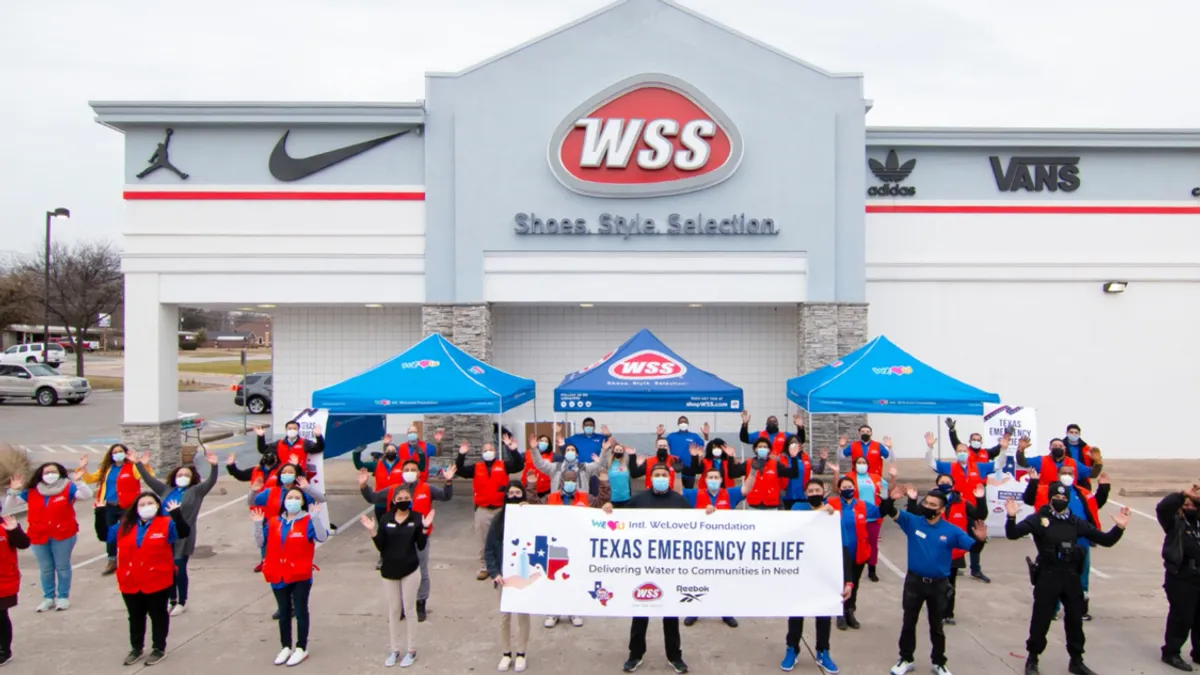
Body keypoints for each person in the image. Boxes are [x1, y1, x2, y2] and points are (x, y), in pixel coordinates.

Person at [1004, 488, 1129, 675]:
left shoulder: (1074, 521)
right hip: (1048, 575)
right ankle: (1033, 659)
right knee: (1041, 618)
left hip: (1071, 576)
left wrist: (1119, 528)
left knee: (1075, 620)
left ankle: (1076, 660)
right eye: (1056, 497)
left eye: (1064, 497)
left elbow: (1106, 540)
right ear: (1050, 499)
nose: (1060, 500)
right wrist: (1011, 517)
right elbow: (1013, 534)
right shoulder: (1039, 519)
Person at [885, 483, 987, 675]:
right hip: (914, 583)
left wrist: (980, 540)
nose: (928, 506)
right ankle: (906, 658)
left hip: (939, 585)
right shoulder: (912, 522)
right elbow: (889, 511)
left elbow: (972, 548)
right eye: (926, 502)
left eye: (933, 505)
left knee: (937, 626)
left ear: (941, 509)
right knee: (909, 622)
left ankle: (939, 661)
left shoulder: (952, 531)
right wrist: (891, 499)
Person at [359, 459, 455, 621]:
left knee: (422, 571)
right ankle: (402, 606)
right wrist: (363, 486)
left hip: (420, 537)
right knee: (400, 572)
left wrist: (448, 481)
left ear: (418, 473)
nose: (410, 472)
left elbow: (445, 496)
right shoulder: (393, 490)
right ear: (402, 473)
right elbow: (373, 497)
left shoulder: (427, 488)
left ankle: (420, 603)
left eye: (413, 469)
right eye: (407, 469)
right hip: (398, 539)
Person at [108, 491, 191, 666]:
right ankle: (136, 648)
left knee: (158, 614)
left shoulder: (166, 524)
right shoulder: (125, 526)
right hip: (130, 579)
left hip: (157, 578)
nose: (146, 507)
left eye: (150, 503)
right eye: (142, 504)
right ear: (135, 508)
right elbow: (104, 536)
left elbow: (184, 532)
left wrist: (176, 514)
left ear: (157, 506)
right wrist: (100, 513)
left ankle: (158, 648)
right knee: (135, 616)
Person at [133, 449, 219, 616]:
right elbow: (149, 480)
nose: (183, 477)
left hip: (183, 535)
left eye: (186, 474)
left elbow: (211, 481)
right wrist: (138, 464)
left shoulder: (196, 491)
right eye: (180, 474)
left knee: (178, 568)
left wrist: (214, 466)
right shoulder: (166, 490)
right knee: (166, 569)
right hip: (165, 534)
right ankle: (171, 599)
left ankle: (182, 601)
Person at [1021, 464, 1111, 621]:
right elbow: (1029, 499)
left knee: (1082, 575)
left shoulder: (1082, 492)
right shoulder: (1046, 490)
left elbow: (1095, 506)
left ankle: (1080, 609)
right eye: (1064, 473)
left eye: (1070, 473)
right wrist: (1033, 482)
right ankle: (1053, 609)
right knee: (1054, 575)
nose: (1067, 476)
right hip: (1054, 541)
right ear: (1057, 475)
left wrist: (1103, 489)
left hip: (1081, 540)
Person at [782, 478, 854, 674]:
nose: (814, 493)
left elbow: (844, 549)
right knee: (796, 612)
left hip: (824, 572)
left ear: (825, 492)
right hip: (801, 572)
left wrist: (848, 581)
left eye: (817, 490)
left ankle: (823, 651)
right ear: (806, 494)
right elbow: (795, 528)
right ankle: (792, 648)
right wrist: (819, 513)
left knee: (823, 614)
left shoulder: (833, 515)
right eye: (810, 490)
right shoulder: (798, 508)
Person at [624, 464, 690, 674]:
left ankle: (674, 656)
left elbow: (694, 528)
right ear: (650, 478)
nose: (660, 477)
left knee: (670, 614)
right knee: (640, 611)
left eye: (664, 475)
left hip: (670, 567)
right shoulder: (638, 500)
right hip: (643, 565)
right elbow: (618, 521)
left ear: (669, 478)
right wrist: (608, 510)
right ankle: (635, 654)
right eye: (657, 475)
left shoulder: (680, 502)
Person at [253, 490, 329, 667]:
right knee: (284, 611)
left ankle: (301, 647)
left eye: (297, 498)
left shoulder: (308, 521)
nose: (292, 500)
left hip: (300, 574)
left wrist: (316, 518)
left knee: (301, 610)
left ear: (302, 502)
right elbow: (260, 542)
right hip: (277, 573)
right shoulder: (274, 522)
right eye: (290, 497)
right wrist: (257, 525)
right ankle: (285, 646)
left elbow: (322, 536)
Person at [529, 468, 612, 628]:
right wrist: (532, 486)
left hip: (578, 544)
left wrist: (604, 482)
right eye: (567, 480)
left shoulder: (585, 497)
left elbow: (602, 502)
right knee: (554, 578)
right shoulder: (551, 498)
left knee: (576, 577)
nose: (570, 483)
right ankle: (553, 611)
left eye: (573, 480)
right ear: (561, 482)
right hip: (556, 545)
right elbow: (535, 506)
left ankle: (575, 610)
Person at [4, 461, 92, 612]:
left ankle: (63, 597)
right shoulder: (32, 490)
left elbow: (87, 495)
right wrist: (12, 492)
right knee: (46, 568)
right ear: (40, 475)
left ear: (60, 473)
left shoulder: (68, 487)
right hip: (38, 535)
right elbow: (9, 508)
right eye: (46, 472)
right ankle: (48, 598)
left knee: (62, 567)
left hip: (63, 534)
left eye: (53, 471)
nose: (50, 475)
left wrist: (79, 482)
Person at [361, 483, 433, 667]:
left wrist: (424, 529)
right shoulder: (386, 519)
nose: (403, 501)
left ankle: (411, 649)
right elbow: (381, 547)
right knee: (394, 610)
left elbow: (421, 545)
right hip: (389, 571)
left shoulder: (417, 518)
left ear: (411, 500)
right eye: (399, 499)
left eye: (406, 499)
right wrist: (372, 531)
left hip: (410, 570)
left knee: (409, 610)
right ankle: (395, 649)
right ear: (393, 501)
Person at [680, 459, 756, 629]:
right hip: (700, 547)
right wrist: (676, 473)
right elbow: (678, 491)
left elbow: (747, 488)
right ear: (705, 480)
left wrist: (753, 472)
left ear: (721, 480)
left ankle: (726, 612)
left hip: (723, 546)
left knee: (723, 579)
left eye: (716, 477)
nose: (713, 480)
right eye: (710, 477)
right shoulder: (695, 494)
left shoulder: (729, 494)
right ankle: (694, 610)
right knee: (698, 579)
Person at [924, 431, 997, 584]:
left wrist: (1003, 449)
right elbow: (931, 463)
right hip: (955, 509)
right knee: (949, 537)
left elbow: (999, 464)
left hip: (973, 509)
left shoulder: (979, 467)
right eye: (959, 451)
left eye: (964, 451)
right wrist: (930, 448)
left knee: (975, 537)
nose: (962, 453)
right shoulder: (949, 467)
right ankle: (951, 565)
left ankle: (975, 569)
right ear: (956, 453)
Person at [919, 476, 987, 625]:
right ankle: (935, 610)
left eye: (948, 482)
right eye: (941, 482)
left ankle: (948, 613)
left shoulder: (962, 502)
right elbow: (916, 513)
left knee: (950, 584)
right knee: (932, 583)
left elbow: (980, 515)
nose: (945, 484)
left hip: (954, 551)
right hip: (933, 549)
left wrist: (981, 499)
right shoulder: (930, 502)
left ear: (953, 484)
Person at [830, 470, 892, 630]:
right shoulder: (833, 504)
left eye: (850, 486)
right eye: (844, 487)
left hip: (859, 552)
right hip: (839, 554)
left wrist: (887, 498)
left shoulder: (863, 506)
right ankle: (840, 613)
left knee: (854, 584)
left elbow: (881, 511)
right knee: (841, 584)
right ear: (839, 489)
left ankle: (850, 611)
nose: (847, 489)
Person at [456, 439, 525, 581]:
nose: (488, 452)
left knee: (504, 537)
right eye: (485, 450)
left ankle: (505, 563)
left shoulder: (503, 465)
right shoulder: (476, 467)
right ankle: (484, 566)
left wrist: (513, 450)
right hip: (483, 509)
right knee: (483, 538)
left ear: (495, 452)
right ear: (482, 453)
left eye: (491, 449)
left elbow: (519, 465)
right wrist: (461, 455)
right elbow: (460, 470)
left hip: (501, 508)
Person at [81, 443, 154, 576]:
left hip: (128, 507)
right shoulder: (107, 469)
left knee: (129, 533)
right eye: (115, 452)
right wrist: (83, 469)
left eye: (120, 451)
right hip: (110, 506)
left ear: (125, 454)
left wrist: (142, 464)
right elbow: (90, 479)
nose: (117, 454)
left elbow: (147, 476)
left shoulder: (132, 468)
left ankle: (133, 561)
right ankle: (112, 560)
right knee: (110, 534)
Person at [355, 438, 429, 570]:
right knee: (383, 531)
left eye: (393, 450)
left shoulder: (402, 465)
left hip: (397, 502)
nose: (391, 452)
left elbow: (420, 467)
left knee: (398, 530)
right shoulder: (377, 464)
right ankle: (383, 556)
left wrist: (421, 454)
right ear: (384, 452)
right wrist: (356, 453)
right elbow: (359, 465)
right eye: (388, 450)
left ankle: (404, 553)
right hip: (381, 503)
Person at [486, 481, 534, 673]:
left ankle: (521, 652)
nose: (514, 496)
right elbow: (489, 549)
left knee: (523, 615)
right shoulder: (498, 520)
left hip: (523, 573)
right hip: (503, 576)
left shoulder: (529, 516)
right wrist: (494, 572)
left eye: (517, 492)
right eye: (510, 493)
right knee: (505, 617)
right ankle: (506, 653)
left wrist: (531, 512)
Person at [1157, 484, 1200, 671]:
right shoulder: (1174, 523)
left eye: (1194, 505)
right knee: (1182, 616)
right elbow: (1163, 507)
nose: (1190, 508)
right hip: (1181, 576)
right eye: (1186, 505)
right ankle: (1171, 652)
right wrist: (1182, 495)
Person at [227, 451, 283, 572]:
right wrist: (231, 466)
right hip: (259, 511)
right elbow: (240, 475)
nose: (269, 458)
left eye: (272, 456)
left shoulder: (281, 471)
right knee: (262, 538)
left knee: (278, 537)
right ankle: (265, 560)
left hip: (276, 510)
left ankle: (280, 559)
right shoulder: (255, 470)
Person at [845, 454, 890, 583]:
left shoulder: (875, 478)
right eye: (859, 462)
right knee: (854, 543)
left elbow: (885, 489)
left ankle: (872, 570)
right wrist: (837, 472)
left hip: (872, 516)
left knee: (873, 545)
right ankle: (851, 568)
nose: (861, 465)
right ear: (854, 465)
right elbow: (838, 488)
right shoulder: (849, 477)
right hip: (855, 516)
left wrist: (893, 477)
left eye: (864, 462)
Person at [743, 436, 803, 510]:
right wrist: (730, 457)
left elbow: (793, 474)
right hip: (753, 506)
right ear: (755, 449)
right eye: (760, 447)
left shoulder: (775, 464)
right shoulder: (748, 463)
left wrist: (793, 457)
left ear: (769, 450)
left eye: (765, 447)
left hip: (771, 507)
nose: (762, 448)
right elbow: (733, 473)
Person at [0, 511, 28, 666]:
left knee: (1, 616)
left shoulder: (6, 527)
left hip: (3, 581)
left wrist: (15, 530)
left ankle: (4, 650)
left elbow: (24, 543)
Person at [256, 422, 325, 479]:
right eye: (290, 428)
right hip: (283, 474)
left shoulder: (304, 443)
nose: (292, 430)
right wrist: (260, 437)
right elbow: (263, 450)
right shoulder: (279, 443)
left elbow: (319, 448)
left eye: (295, 428)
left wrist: (319, 436)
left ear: (298, 430)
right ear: (286, 430)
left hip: (299, 474)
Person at [1017, 437, 1092, 488]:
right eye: (1055, 445)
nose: (1058, 447)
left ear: (1064, 448)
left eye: (1060, 446)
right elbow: (1022, 462)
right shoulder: (1041, 460)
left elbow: (1092, 473)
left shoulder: (1073, 462)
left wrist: (1098, 462)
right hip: (1045, 497)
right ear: (1050, 448)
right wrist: (1020, 450)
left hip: (1067, 497)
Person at [658, 417, 709, 488]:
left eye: (685, 422)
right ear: (678, 424)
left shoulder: (694, 436)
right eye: (681, 422)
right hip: (675, 467)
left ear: (688, 424)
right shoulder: (672, 436)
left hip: (690, 469)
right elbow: (660, 445)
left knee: (688, 491)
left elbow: (704, 448)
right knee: (674, 490)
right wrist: (659, 435)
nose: (683, 424)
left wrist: (706, 435)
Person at [778, 438, 827, 511]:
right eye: (792, 443)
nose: (794, 445)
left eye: (796, 443)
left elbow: (818, 470)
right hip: (786, 494)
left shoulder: (806, 457)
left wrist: (823, 460)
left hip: (803, 494)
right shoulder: (781, 457)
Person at [739, 410, 807, 454]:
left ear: (777, 424)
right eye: (770, 421)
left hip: (781, 465)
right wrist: (745, 424)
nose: (772, 422)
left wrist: (800, 427)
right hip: (764, 464)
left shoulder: (785, 435)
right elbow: (744, 438)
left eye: (774, 421)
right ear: (766, 423)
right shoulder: (759, 435)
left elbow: (800, 440)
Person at [521, 433, 554, 499]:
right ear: (537, 442)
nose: (543, 442)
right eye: (541, 440)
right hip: (528, 486)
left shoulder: (553, 456)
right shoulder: (527, 453)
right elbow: (517, 462)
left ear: (549, 444)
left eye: (546, 441)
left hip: (545, 489)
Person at [606, 442, 635, 508]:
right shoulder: (608, 463)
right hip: (612, 498)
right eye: (616, 450)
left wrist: (633, 455)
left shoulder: (626, 463)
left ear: (623, 452)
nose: (618, 452)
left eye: (620, 450)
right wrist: (604, 450)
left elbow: (634, 469)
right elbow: (599, 465)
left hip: (626, 498)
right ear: (613, 451)